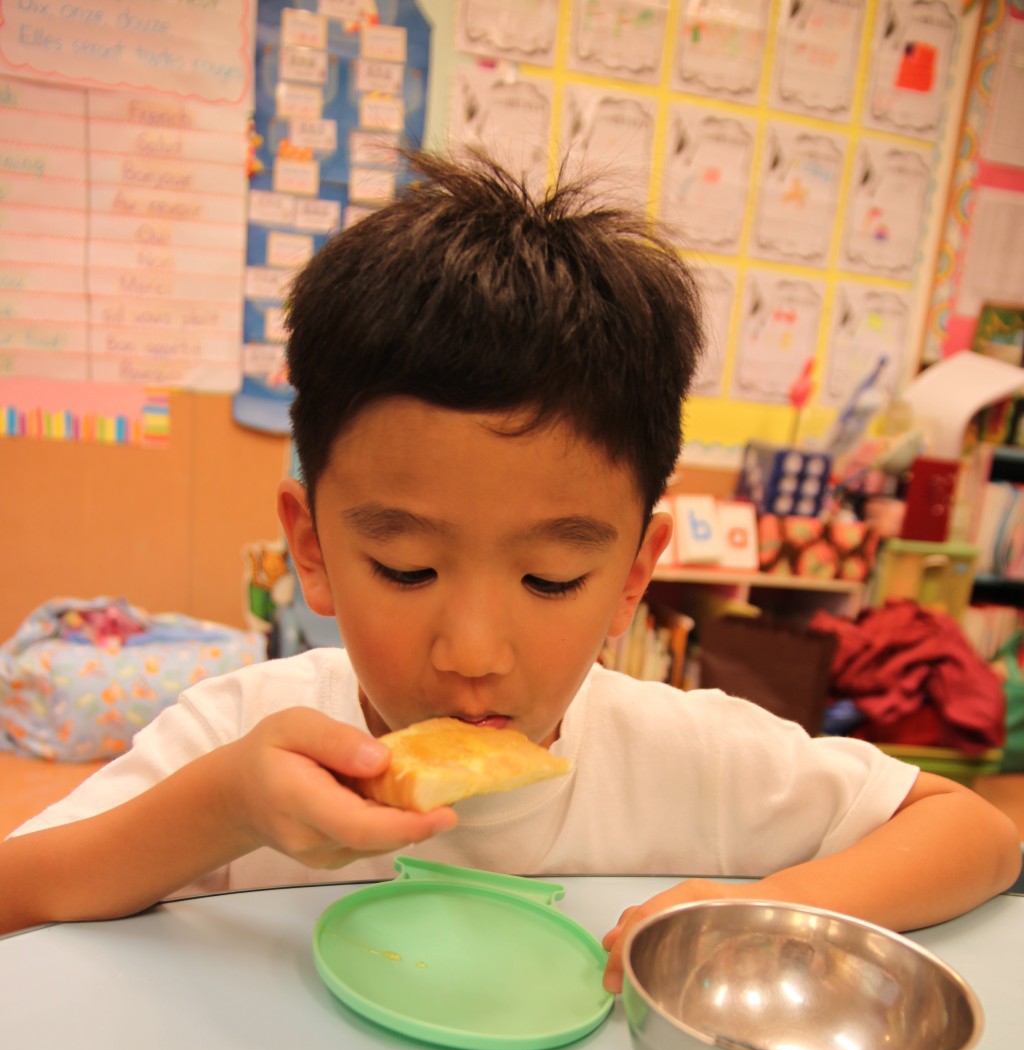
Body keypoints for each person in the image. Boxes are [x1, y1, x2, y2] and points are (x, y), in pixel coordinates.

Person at [1, 153, 1019, 988]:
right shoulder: (241, 738)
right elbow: (16, 894)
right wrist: (221, 810)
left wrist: (767, 906)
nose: (474, 653)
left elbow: (975, 834)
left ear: (633, 577)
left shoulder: (690, 756)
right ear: (311, 548)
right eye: (405, 567)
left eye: (551, 580)